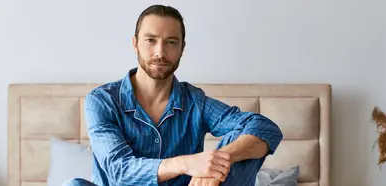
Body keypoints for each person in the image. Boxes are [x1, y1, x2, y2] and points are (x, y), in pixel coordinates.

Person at [64, 4, 283, 186]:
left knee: (241, 145)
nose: (160, 52)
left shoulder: (195, 101)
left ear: (182, 48)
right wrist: (187, 164)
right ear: (135, 44)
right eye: (151, 40)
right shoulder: (103, 101)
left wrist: (217, 161)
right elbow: (119, 170)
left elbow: (265, 127)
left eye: (171, 42)